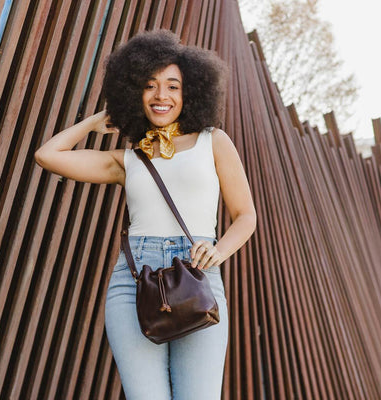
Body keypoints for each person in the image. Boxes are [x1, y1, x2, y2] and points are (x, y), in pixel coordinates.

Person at [35, 30, 256, 400]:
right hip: (135, 282)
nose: (161, 96)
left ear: (191, 92)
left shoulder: (213, 140)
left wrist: (219, 250)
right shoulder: (127, 158)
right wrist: (95, 121)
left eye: (173, 86)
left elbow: (245, 214)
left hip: (198, 276)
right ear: (135, 91)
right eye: (150, 85)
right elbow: (47, 156)